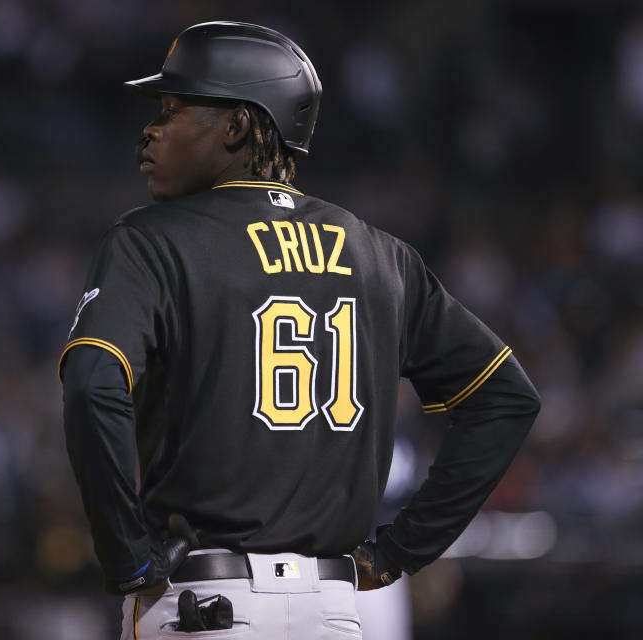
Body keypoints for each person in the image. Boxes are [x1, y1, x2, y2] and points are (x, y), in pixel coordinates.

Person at [60, 21, 540, 639]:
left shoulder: (151, 240)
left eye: (174, 109)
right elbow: (505, 398)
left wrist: (126, 554)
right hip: (335, 613)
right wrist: (402, 550)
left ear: (236, 125)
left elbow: (91, 387)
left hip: (204, 604)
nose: (151, 129)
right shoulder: (379, 255)